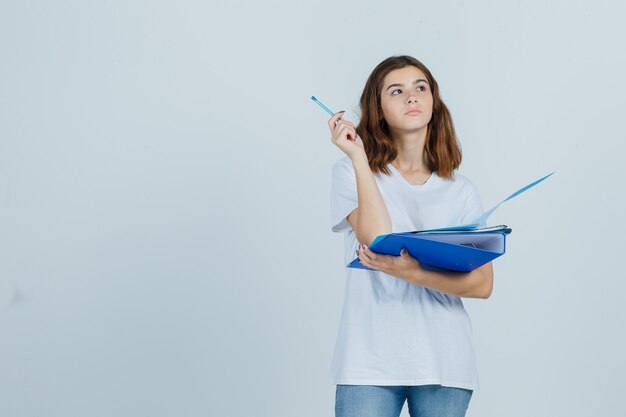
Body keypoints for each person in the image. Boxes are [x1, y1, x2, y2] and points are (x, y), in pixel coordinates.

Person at [328, 55, 493, 417]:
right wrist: (359, 158)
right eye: (397, 91)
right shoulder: (350, 171)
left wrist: (412, 273)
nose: (412, 97)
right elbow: (375, 236)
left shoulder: (461, 189)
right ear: (379, 108)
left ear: (434, 101)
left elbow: (481, 285)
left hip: (445, 361)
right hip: (368, 359)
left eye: (421, 88)